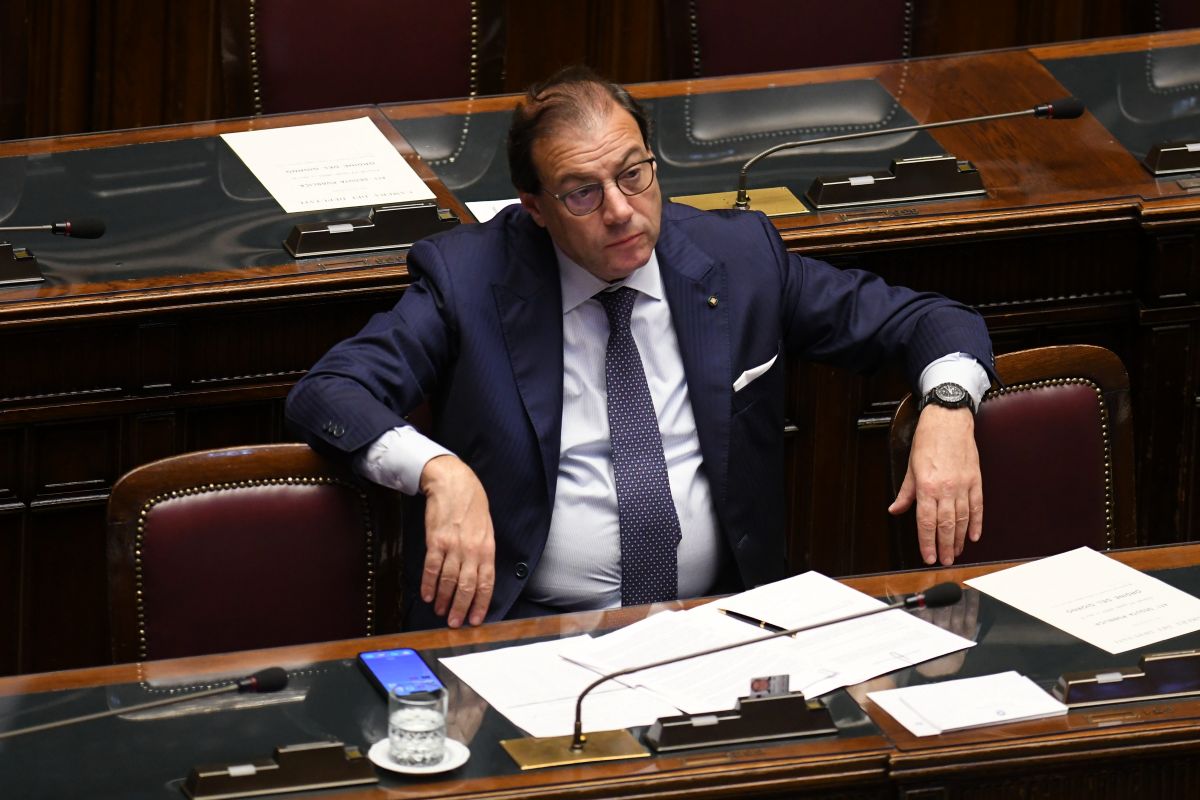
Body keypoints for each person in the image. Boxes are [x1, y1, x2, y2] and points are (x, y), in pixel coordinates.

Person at [286, 66, 994, 630]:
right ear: (534, 208)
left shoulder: (738, 259)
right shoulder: (469, 281)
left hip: (721, 623)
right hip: (527, 632)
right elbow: (329, 392)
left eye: (634, 173)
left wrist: (947, 404)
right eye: (582, 194)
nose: (622, 210)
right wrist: (439, 470)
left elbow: (929, 320)